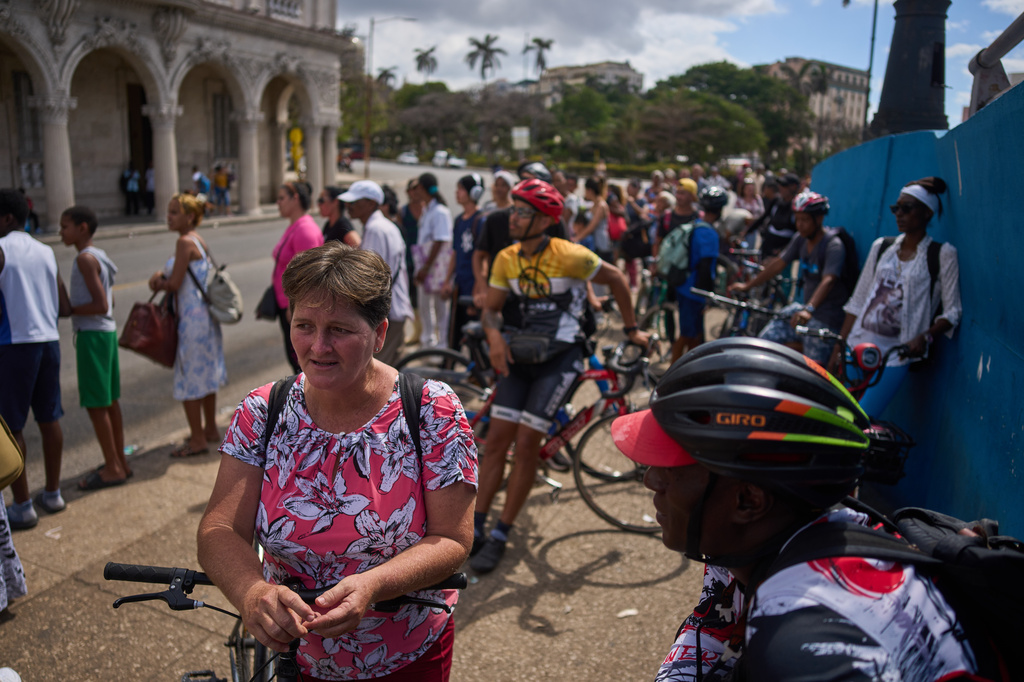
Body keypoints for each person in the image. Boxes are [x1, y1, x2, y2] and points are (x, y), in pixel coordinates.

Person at [610, 337, 983, 681]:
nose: (651, 481)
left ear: (748, 501)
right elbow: (709, 629)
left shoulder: (800, 650)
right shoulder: (766, 538)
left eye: (671, 468)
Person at [197, 242, 477, 680]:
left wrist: (375, 584)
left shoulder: (431, 410)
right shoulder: (262, 409)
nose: (318, 346)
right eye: (304, 325)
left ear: (380, 333)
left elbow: (453, 539)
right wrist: (252, 592)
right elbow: (219, 528)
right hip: (296, 657)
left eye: (341, 329)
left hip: (406, 655)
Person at [471, 179, 650, 574]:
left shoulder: (569, 255)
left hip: (561, 359)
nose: (512, 217)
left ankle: (500, 533)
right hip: (521, 356)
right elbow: (492, 310)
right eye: (513, 210)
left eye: (521, 211)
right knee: (497, 440)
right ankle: (477, 526)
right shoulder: (506, 258)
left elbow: (618, 278)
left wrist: (632, 327)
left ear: (544, 220)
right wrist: (494, 336)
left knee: (527, 442)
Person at [831, 177, 961, 416]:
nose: (899, 214)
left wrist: (925, 336)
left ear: (927, 213)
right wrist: (839, 347)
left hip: (896, 355)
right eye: (896, 208)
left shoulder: (942, 254)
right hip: (856, 345)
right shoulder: (882, 247)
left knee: (863, 418)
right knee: (837, 414)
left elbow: (952, 312)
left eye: (907, 208)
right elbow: (858, 300)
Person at [0, 188, 70, 530]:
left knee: (12, 425)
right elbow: (62, 301)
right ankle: (54, 492)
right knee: (49, 417)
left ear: (7, 218)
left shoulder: (1, 248)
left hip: (14, 343)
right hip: (48, 341)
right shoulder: (45, 250)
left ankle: (23, 503)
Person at [730, 191, 850, 367]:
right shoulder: (800, 240)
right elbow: (779, 264)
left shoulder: (833, 246)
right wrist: (748, 286)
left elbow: (829, 280)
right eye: (797, 219)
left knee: (812, 369)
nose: (799, 225)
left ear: (819, 219)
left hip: (825, 317)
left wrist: (809, 309)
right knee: (766, 340)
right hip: (803, 310)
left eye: (805, 220)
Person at [148, 193, 227, 458]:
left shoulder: (184, 242)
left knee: (190, 378)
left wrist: (158, 280)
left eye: (174, 212)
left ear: (190, 216)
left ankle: (196, 439)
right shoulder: (197, 240)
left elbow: (173, 284)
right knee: (205, 374)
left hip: (191, 321)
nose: (168, 217)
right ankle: (210, 429)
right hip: (204, 317)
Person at [58, 206, 129, 488]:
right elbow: (110, 302)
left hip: (92, 336)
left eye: (65, 227)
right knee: (109, 400)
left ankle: (113, 466)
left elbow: (100, 304)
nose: (61, 232)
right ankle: (119, 460)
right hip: (106, 334)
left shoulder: (85, 260)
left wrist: (69, 309)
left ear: (82, 228)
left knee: (97, 405)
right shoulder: (99, 256)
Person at [346, 180, 414, 367]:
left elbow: (370, 278)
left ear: (370, 203)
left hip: (388, 313)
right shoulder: (382, 226)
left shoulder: (377, 230)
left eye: (354, 202)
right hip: (394, 310)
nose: (348, 206)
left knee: (377, 375)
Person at [268, 181, 323, 372]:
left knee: (302, 364)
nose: (278, 203)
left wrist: (297, 307)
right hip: (286, 305)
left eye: (282, 198)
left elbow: (310, 275)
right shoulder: (296, 225)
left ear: (295, 199)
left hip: (295, 307)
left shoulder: (305, 229)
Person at [666, 187, 721, 361]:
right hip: (694, 291)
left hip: (685, 286)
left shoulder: (697, 224)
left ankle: (692, 367)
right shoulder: (709, 233)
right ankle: (672, 373)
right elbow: (706, 267)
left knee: (695, 334)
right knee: (687, 334)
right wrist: (708, 295)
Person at [443, 174, 485, 350]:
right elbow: (455, 252)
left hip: (473, 285)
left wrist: (479, 287)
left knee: (474, 333)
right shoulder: (459, 220)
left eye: (461, 189)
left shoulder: (481, 220)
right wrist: (447, 280)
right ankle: (450, 363)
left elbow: (483, 257)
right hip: (459, 284)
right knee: (454, 329)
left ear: (473, 193)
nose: (457, 193)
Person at [411, 173, 453, 349]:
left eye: (417, 187)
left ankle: (442, 343)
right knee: (424, 305)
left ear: (423, 188)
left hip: (435, 266)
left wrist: (427, 267)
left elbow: (440, 240)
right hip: (425, 264)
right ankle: (428, 340)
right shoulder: (427, 210)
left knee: (440, 306)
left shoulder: (440, 212)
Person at [759, 173, 800, 256]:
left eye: (784, 185)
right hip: (767, 246)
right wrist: (745, 233)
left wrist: (783, 250)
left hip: (783, 254)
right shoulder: (776, 201)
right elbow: (763, 217)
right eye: (780, 185)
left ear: (794, 187)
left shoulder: (797, 207)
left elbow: (798, 234)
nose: (780, 188)